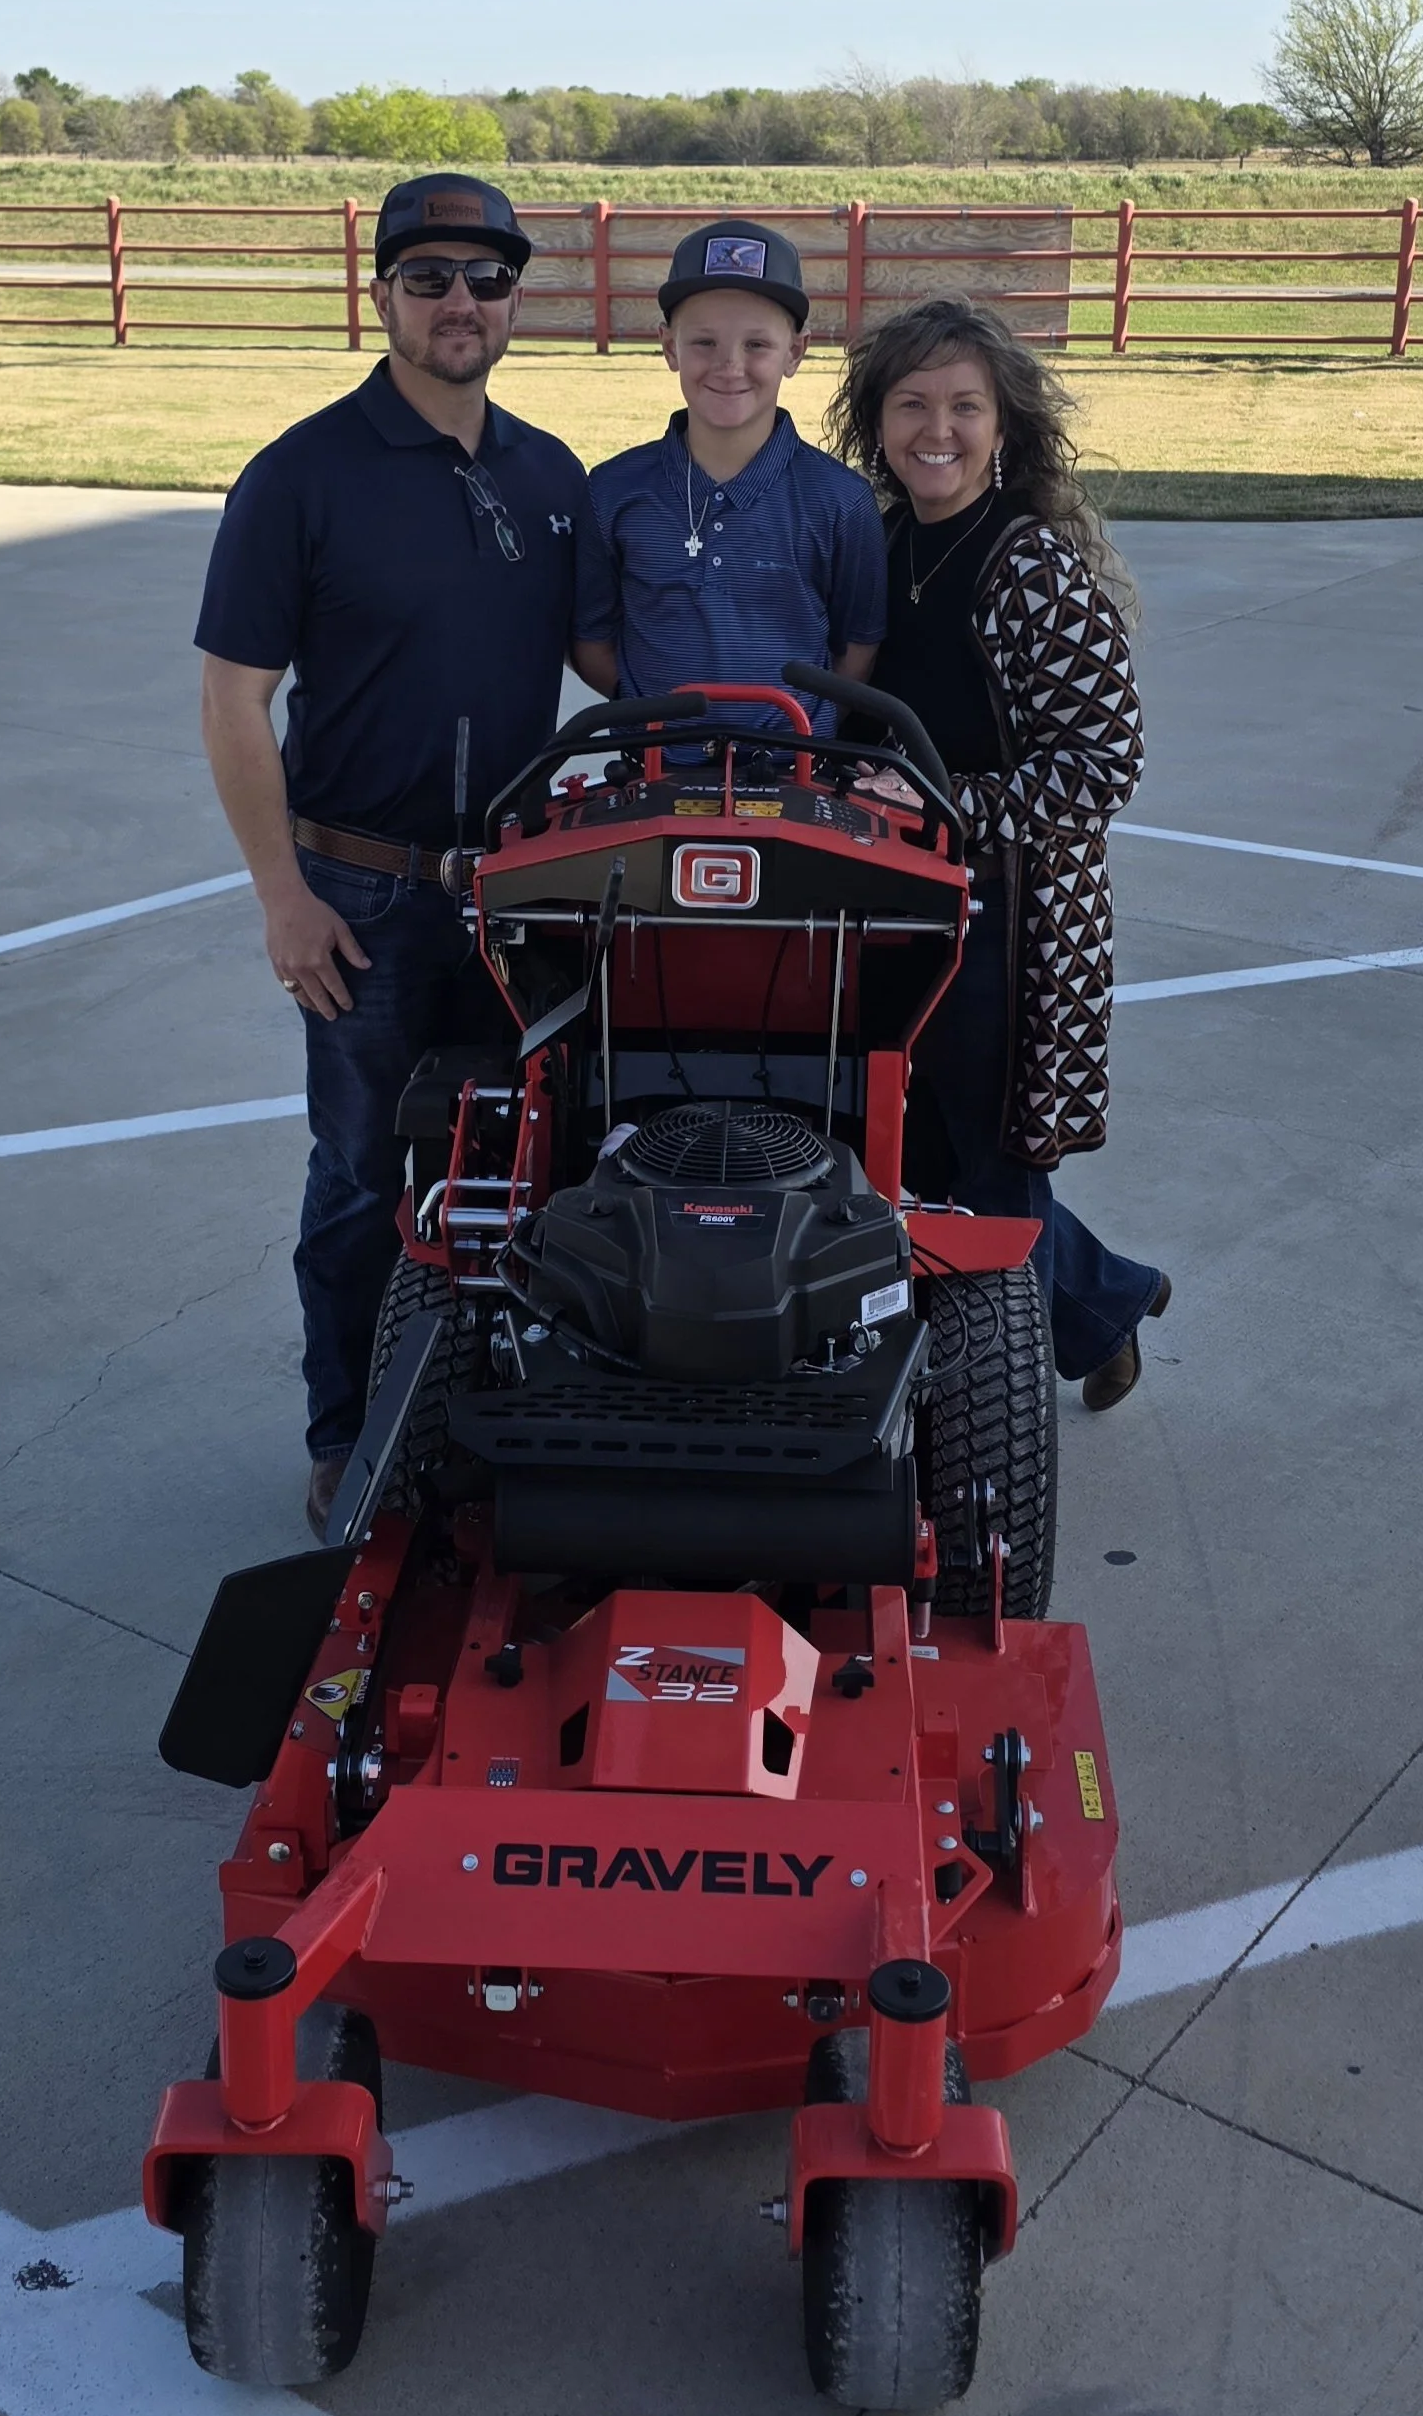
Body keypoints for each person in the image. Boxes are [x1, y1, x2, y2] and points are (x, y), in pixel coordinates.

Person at [194, 172, 619, 1535]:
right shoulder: (300, 477)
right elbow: (232, 699)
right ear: (380, 294)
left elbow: (614, 661)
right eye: (428, 276)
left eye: (486, 279)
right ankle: (348, 1433)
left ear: (515, 299)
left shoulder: (552, 477)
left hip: (517, 887)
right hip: (359, 892)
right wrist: (283, 897)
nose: (459, 302)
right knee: (366, 1175)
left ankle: (487, 1411)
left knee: (533, 1165)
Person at [826, 296, 1169, 1409]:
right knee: (913, 1151)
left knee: (991, 1167)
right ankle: (1102, 1297)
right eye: (912, 403)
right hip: (898, 904)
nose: (939, 428)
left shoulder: (1029, 569)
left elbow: (1101, 767)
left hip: (1010, 922)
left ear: (1003, 426)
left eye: (964, 406)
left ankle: (993, 1404)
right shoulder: (879, 545)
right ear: (876, 423)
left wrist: (943, 804)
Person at [589, 221, 886, 742]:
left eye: (757, 344)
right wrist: (646, 722)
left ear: (795, 352)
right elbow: (591, 640)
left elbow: (857, 646)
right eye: (704, 341)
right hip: (652, 775)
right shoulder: (612, 490)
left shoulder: (841, 499)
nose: (729, 366)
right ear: (669, 346)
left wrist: (801, 735)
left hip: (794, 774)